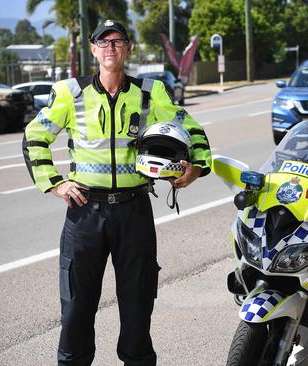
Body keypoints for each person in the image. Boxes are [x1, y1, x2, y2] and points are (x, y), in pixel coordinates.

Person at [22, 19, 211, 366]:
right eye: (103, 42)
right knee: (77, 309)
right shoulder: (69, 93)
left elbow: (191, 128)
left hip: (134, 212)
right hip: (84, 214)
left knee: (138, 306)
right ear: (93, 49)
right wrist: (54, 182)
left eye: (118, 41)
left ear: (128, 49)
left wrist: (196, 167)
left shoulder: (150, 92)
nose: (111, 47)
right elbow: (34, 137)